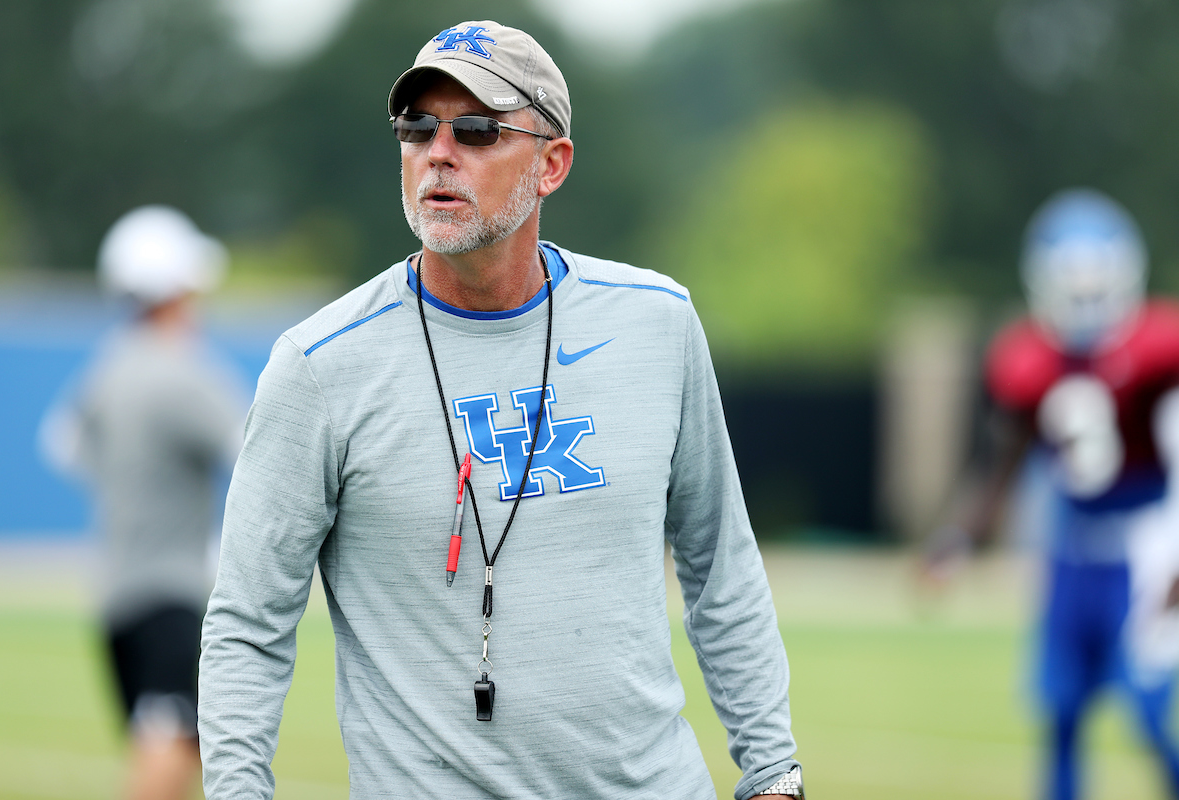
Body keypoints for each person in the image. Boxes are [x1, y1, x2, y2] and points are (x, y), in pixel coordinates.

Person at [197, 19, 803, 800]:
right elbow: (248, 623)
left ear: (552, 164)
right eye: (418, 128)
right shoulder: (320, 365)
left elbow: (722, 565)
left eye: (477, 129)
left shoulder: (658, 321)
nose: (438, 153)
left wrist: (773, 774)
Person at [926, 188, 1179, 800]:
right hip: (1070, 553)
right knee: (1061, 714)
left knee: (1147, 710)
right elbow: (1005, 462)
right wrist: (959, 537)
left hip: (1148, 547)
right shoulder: (1028, 359)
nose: (1084, 298)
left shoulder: (1159, 348)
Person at [39, 205, 248, 800]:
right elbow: (253, 451)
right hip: (171, 591)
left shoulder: (107, 370)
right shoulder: (181, 373)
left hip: (118, 592)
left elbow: (63, 447)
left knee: (193, 743)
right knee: (174, 736)